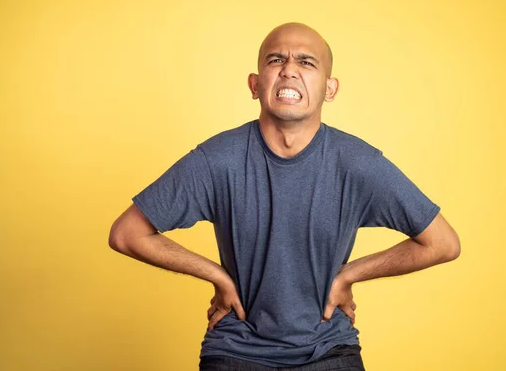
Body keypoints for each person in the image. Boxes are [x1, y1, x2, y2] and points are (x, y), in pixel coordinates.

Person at [109, 22, 461, 370]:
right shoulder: (217, 159)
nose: (290, 70)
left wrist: (348, 275)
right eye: (276, 60)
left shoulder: (358, 164)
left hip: (328, 348)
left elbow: (442, 243)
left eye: (307, 63)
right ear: (255, 84)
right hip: (235, 348)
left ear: (330, 89)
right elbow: (127, 234)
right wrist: (217, 276)